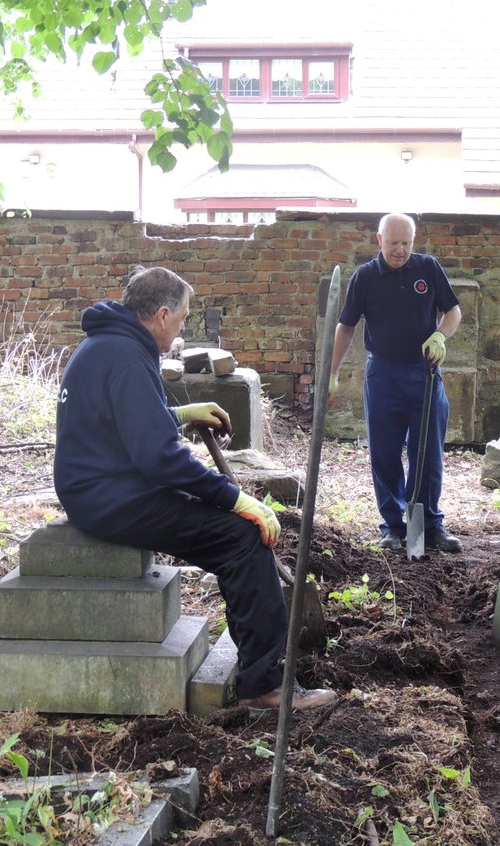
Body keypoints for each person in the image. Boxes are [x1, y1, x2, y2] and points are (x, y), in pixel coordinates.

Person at [53, 265, 337, 713]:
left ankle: (261, 669)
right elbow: (159, 458)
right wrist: (236, 498)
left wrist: (182, 413)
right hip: (110, 499)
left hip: (102, 487)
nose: (183, 328)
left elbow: (124, 423)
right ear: (162, 314)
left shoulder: (107, 344)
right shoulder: (127, 356)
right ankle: (263, 687)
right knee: (242, 538)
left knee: (230, 530)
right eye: (183, 318)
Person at [328, 213, 463, 552]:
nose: (400, 250)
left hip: (425, 374)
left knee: (428, 452)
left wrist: (440, 335)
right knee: (385, 452)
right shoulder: (365, 278)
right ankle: (392, 526)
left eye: (406, 243)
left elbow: (453, 312)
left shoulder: (428, 269)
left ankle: (430, 525)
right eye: (393, 243)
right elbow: (345, 326)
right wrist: (331, 373)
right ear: (379, 240)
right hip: (383, 375)